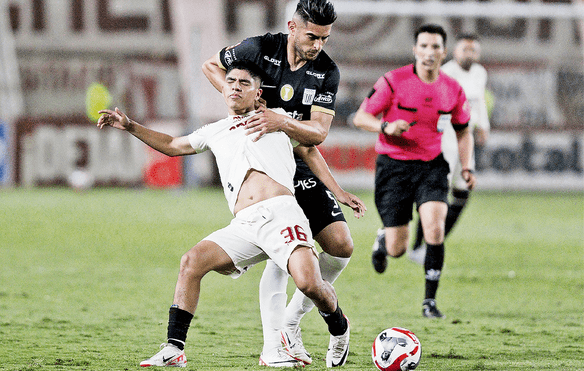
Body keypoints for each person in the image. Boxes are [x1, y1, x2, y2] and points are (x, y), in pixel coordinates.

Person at [97, 63, 353, 368]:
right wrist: (130, 126)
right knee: (191, 262)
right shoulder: (214, 131)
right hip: (244, 224)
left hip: (282, 215)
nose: (234, 86)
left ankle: (340, 328)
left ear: (258, 93)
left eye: (244, 83)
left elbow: (310, 150)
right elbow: (172, 145)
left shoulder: (278, 120)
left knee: (310, 284)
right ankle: (174, 348)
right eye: (230, 81)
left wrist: (338, 192)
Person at [202, 0, 358, 366]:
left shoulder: (326, 72)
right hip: (262, 162)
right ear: (292, 26)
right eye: (312, 36)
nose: (317, 45)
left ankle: (292, 318)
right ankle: (279, 342)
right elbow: (211, 65)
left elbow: (317, 133)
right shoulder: (259, 48)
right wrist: (242, 103)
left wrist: (279, 120)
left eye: (324, 38)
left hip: (297, 158)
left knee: (340, 246)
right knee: (281, 256)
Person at [352, 24, 476, 319]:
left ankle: (429, 302)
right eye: (423, 46)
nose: (429, 52)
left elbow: (463, 132)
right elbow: (360, 117)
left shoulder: (452, 89)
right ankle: (384, 239)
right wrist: (385, 126)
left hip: (431, 166)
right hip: (393, 167)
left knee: (435, 226)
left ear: (444, 52)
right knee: (397, 248)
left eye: (435, 47)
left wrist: (467, 166)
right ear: (415, 50)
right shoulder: (394, 81)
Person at [409, 33, 490, 264]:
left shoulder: (479, 73)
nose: (469, 54)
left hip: (466, 140)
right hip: (445, 140)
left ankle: (433, 241)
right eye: (465, 49)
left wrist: (483, 125)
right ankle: (418, 246)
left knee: (462, 194)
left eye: (473, 50)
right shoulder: (445, 73)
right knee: (437, 195)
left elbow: (479, 102)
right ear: (455, 52)